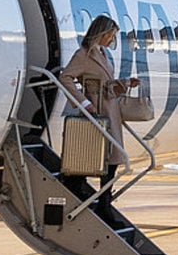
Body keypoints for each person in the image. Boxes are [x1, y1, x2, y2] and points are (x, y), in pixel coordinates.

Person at [57, 14, 139, 222]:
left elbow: (106, 82)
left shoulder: (102, 53)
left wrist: (126, 83)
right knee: (99, 156)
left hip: (110, 110)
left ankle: (104, 203)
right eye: (110, 35)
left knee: (111, 159)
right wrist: (84, 102)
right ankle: (102, 205)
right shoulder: (84, 55)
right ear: (101, 34)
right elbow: (65, 77)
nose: (112, 40)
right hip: (97, 111)